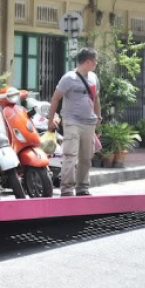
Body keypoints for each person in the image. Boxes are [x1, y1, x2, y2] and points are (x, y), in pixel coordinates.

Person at [47, 47, 101, 197]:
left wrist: (99, 116)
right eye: (95, 61)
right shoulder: (68, 78)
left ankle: (83, 188)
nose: (96, 64)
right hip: (72, 121)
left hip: (89, 123)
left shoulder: (94, 78)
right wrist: (50, 120)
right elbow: (56, 98)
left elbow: (96, 98)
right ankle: (67, 189)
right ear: (88, 61)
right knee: (70, 155)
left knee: (86, 157)